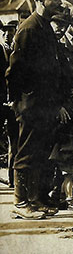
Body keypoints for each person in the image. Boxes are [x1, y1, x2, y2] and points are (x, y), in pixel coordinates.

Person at [6, 0, 70, 219]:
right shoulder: (29, 29)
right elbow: (15, 72)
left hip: (46, 106)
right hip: (32, 107)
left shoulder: (44, 28)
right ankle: (21, 202)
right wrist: (22, 104)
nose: (60, 3)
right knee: (27, 154)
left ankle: (36, 199)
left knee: (41, 153)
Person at [1, 19, 17, 188]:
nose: (7, 35)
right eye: (5, 33)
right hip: (1, 102)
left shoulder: (16, 52)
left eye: (11, 32)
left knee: (15, 141)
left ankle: (13, 180)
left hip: (12, 103)